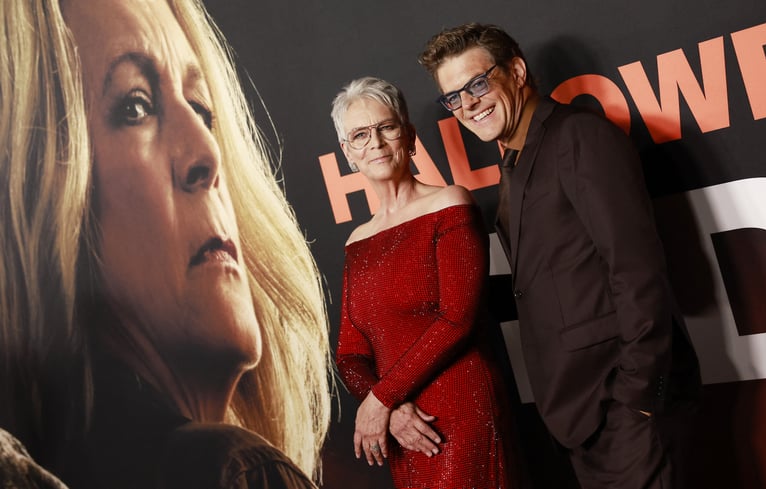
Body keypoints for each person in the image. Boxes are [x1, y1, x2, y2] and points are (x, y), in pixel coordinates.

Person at [0, 0, 331, 487]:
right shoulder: (233, 470)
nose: (208, 154)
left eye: (202, 109)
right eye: (135, 106)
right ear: (34, 186)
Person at [419, 23, 702, 489]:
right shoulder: (513, 158)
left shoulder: (578, 136)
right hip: (580, 418)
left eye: (477, 84)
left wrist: (638, 401)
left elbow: (638, 274)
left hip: (625, 412)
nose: (468, 104)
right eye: (454, 97)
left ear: (516, 70)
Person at [331, 77, 520, 488]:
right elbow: (349, 353)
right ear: (348, 153)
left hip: (460, 408)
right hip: (402, 425)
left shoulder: (450, 203)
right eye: (360, 135)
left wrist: (380, 399)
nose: (376, 143)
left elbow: (458, 319)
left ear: (409, 135)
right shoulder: (356, 242)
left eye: (387, 127)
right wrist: (391, 410)